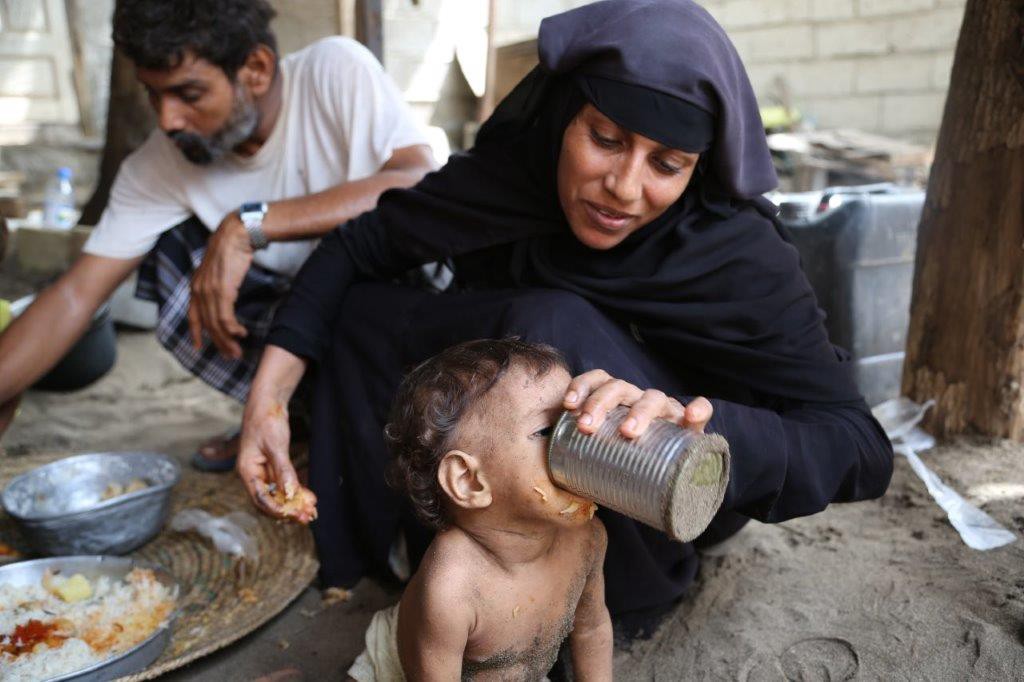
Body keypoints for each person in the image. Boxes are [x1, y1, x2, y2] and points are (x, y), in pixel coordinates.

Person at [238, 0, 894, 637]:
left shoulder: (738, 257)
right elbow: (359, 245)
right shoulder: (509, 183)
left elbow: (857, 446)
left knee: (548, 322)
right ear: (562, 118)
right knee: (367, 311)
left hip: (669, 486)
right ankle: (382, 545)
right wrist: (267, 403)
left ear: (698, 168)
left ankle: (594, 593)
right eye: (606, 140)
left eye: (667, 165)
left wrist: (693, 424)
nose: (625, 187)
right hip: (541, 419)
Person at [0, 0, 435, 468]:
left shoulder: (334, 70)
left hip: (394, 309)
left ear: (256, 69)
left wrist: (248, 224)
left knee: (369, 286)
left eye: (188, 94)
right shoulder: (158, 164)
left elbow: (417, 179)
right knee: (170, 256)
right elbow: (75, 296)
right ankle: (296, 417)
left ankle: (377, 420)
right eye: (153, 94)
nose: (167, 119)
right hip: (293, 321)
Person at [347, 338, 612, 681]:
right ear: (469, 481)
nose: (577, 438)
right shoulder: (451, 587)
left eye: (575, 419)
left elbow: (591, 630)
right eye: (546, 429)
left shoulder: (587, 538)